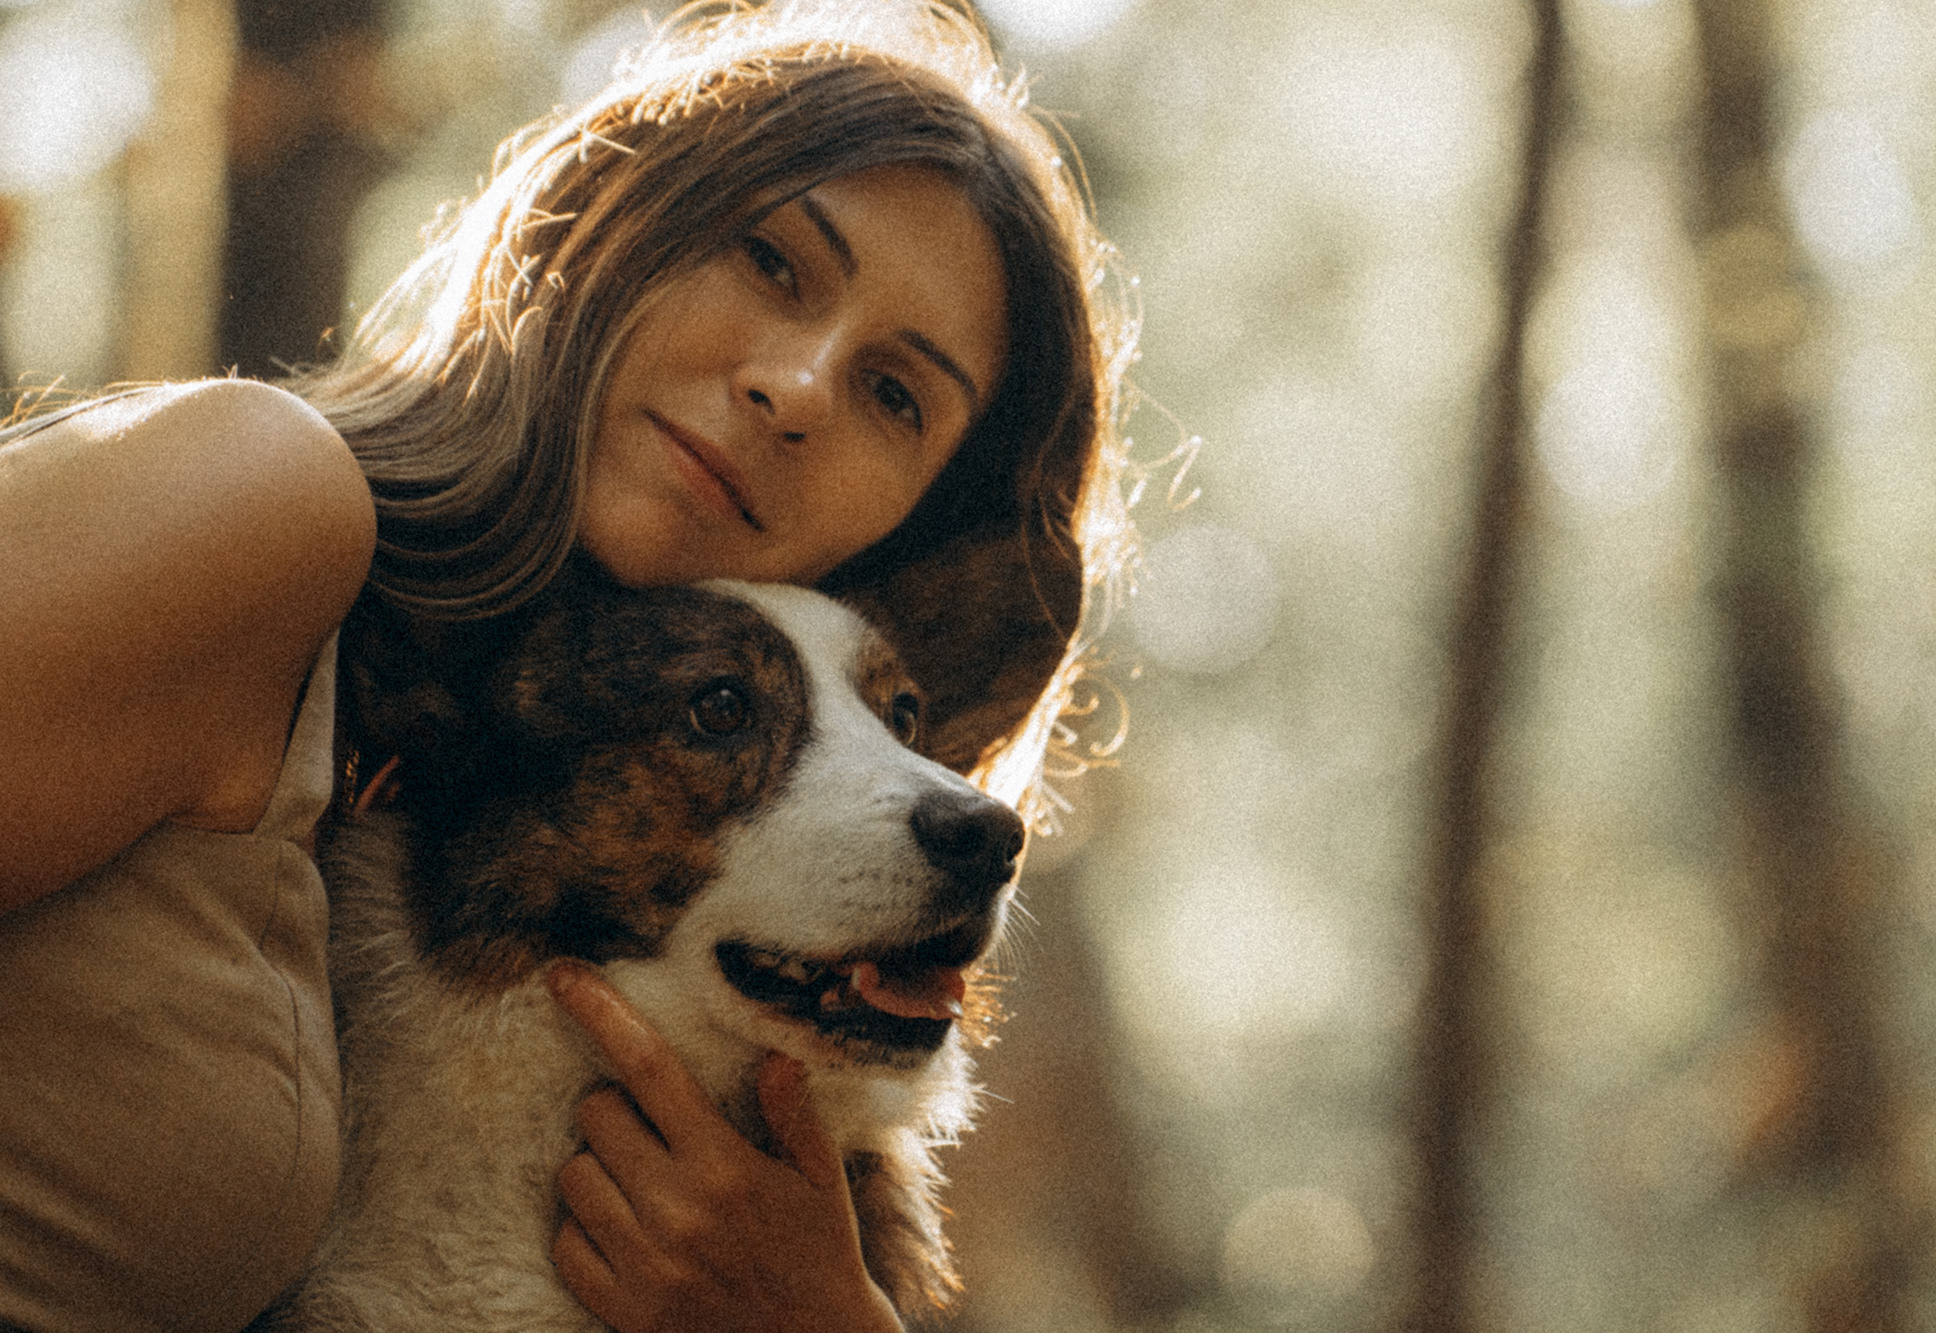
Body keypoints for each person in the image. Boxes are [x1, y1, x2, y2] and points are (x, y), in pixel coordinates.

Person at [0, 1, 1139, 1330]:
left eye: (895, 394)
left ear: (912, 515)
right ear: (601, 221)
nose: (800, 384)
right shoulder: (259, 498)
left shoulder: (452, 766)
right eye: (772, 261)